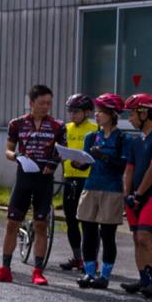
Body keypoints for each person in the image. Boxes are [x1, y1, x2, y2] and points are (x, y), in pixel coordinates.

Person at [0, 84, 66, 285]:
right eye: (41, 103)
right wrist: (16, 156)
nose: (46, 107)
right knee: (12, 223)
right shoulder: (17, 124)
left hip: (44, 180)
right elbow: (8, 150)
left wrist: (54, 163)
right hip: (24, 177)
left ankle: (38, 271)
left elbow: (62, 152)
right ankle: (5, 268)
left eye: (49, 103)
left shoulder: (58, 126)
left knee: (41, 225)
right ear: (31, 103)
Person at [76, 93, 130, 289]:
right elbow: (85, 165)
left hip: (112, 190)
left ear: (113, 115)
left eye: (101, 112)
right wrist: (78, 162)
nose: (96, 115)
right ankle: (89, 273)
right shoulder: (91, 137)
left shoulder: (123, 139)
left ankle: (105, 275)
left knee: (108, 235)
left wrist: (103, 157)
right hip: (91, 187)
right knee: (88, 232)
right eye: (96, 112)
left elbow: (122, 166)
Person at [120, 92, 152, 299]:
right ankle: (144, 280)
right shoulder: (136, 141)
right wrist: (127, 195)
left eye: (132, 114)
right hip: (134, 197)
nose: (129, 119)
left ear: (144, 113)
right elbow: (129, 170)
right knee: (135, 238)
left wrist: (139, 194)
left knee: (144, 237)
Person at [58, 93, 95, 272]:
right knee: (71, 220)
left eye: (76, 111)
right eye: (70, 111)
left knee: (87, 222)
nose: (72, 115)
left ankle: (91, 259)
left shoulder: (94, 129)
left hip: (87, 180)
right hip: (69, 178)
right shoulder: (66, 128)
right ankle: (77, 257)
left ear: (87, 112)